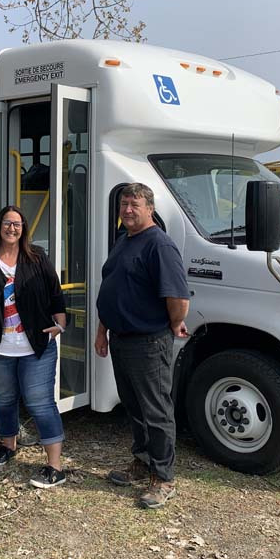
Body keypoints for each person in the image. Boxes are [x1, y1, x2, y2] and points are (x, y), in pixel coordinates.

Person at [95, 183, 190, 509]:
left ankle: (163, 478)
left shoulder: (159, 245)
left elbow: (178, 298)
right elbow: (112, 288)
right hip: (120, 339)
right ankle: (142, 462)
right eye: (123, 204)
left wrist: (173, 323)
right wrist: (101, 330)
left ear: (150, 208)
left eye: (134, 204)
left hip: (149, 342)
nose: (127, 210)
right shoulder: (125, 240)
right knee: (134, 407)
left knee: (156, 411)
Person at [0, 205, 69, 489]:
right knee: (3, 399)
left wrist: (60, 325)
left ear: (24, 228)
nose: (12, 228)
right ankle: (8, 446)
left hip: (36, 347)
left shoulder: (37, 257)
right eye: (7, 223)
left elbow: (56, 296)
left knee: (40, 403)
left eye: (18, 224)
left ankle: (55, 467)